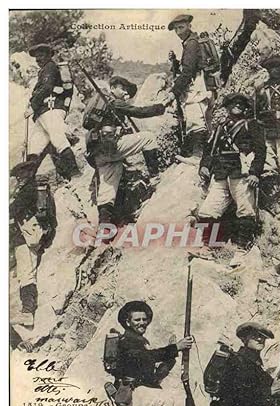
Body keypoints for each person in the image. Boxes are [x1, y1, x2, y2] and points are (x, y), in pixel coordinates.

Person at [85, 76, 173, 225]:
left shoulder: (98, 104)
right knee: (148, 138)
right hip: (110, 148)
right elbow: (139, 112)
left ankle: (104, 229)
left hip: (97, 154)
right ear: (112, 88)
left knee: (107, 192)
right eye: (122, 88)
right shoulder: (114, 102)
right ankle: (154, 177)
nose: (125, 92)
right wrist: (161, 106)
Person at [197, 93, 266, 267]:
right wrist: (204, 166)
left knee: (246, 210)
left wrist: (255, 173)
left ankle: (241, 250)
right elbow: (210, 149)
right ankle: (209, 247)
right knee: (207, 211)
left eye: (241, 104)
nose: (237, 106)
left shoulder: (252, 125)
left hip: (241, 173)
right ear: (227, 107)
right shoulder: (220, 127)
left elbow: (260, 150)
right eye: (234, 103)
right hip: (221, 173)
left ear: (245, 108)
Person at [113, 301, 193, 406]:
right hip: (131, 395)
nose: (142, 323)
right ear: (128, 322)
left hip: (137, 398)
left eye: (144, 319)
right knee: (165, 399)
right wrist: (175, 347)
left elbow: (151, 374)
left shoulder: (138, 341)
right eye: (137, 320)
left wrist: (171, 356)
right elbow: (146, 357)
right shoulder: (127, 342)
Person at [218, 322, 280, 406]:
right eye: (254, 336)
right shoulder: (236, 362)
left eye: (262, 336)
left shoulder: (255, 364)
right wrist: (270, 391)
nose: (260, 339)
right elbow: (237, 398)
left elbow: (271, 385)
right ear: (244, 338)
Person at [9, 157, 57, 327]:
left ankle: (28, 312)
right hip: (28, 235)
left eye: (20, 173)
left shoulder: (28, 190)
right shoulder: (35, 189)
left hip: (27, 237)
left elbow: (11, 211)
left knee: (26, 274)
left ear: (27, 173)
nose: (18, 177)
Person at [25, 43, 80, 181]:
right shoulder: (46, 69)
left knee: (58, 139)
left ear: (49, 55)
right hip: (44, 112)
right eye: (37, 57)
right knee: (35, 145)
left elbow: (47, 88)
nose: (39, 59)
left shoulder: (49, 67)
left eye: (42, 55)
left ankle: (75, 173)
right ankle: (26, 179)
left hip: (50, 109)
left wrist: (32, 106)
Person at [168, 14, 219, 156]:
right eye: (176, 29)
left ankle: (198, 157)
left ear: (189, 26)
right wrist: (176, 63)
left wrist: (174, 91)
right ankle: (207, 157)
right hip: (206, 86)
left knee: (196, 121)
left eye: (181, 27)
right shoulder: (192, 42)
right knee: (206, 122)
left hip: (198, 87)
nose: (179, 32)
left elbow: (188, 72)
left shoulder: (191, 43)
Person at [256, 54, 280, 178]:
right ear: (269, 70)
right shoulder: (262, 90)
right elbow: (257, 112)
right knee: (268, 164)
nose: (277, 70)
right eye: (273, 67)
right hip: (267, 129)